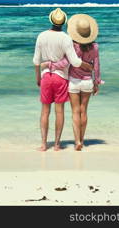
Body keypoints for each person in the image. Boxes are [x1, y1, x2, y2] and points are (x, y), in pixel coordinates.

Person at [33, 8, 92, 151]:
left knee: (45, 111)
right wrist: (88, 66)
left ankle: (43, 144)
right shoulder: (66, 38)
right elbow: (75, 62)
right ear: (64, 23)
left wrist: (38, 78)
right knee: (59, 111)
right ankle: (57, 144)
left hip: (46, 76)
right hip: (61, 78)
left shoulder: (41, 36)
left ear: (51, 20)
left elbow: (36, 61)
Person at [41, 14, 103, 151]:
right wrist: (97, 82)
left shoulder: (74, 46)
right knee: (83, 112)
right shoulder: (95, 47)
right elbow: (97, 65)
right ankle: (82, 139)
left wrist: (50, 65)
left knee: (75, 112)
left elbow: (66, 62)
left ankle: (76, 142)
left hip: (74, 82)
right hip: (87, 82)